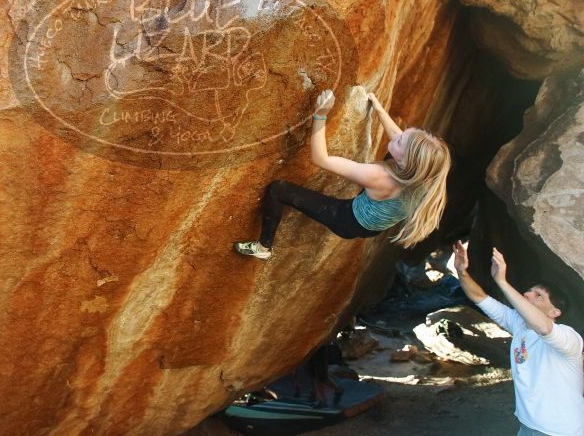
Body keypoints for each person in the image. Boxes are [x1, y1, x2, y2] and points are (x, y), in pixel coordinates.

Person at [234, 88, 451, 260]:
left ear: (406, 160)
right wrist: (378, 108)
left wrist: (320, 116)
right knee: (394, 152)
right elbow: (399, 138)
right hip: (377, 223)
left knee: (277, 189)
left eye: (401, 140)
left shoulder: (378, 176)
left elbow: (322, 160)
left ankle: (263, 246)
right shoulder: (424, 172)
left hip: (349, 220)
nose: (398, 135)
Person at [452, 241, 584, 436]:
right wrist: (462, 272)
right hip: (527, 426)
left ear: (554, 312)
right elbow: (479, 297)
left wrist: (502, 282)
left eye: (538, 295)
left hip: (560, 431)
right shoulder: (518, 323)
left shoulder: (568, 338)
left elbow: (544, 327)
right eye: (529, 291)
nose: (527, 294)